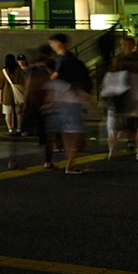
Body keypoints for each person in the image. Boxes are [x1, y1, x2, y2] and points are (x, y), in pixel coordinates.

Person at [47, 33, 93, 175]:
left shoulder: (64, 59)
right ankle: (70, 163)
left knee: (70, 133)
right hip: (70, 99)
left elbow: (57, 76)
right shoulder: (69, 59)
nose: (52, 45)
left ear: (60, 42)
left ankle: (70, 163)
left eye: (53, 42)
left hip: (67, 99)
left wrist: (50, 75)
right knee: (72, 132)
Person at [111, 37, 138, 161]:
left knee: (127, 124)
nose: (126, 47)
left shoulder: (119, 60)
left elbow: (114, 75)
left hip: (126, 95)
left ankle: (127, 145)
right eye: (124, 45)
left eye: (126, 45)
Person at [0, 53, 25, 138]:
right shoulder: (19, 70)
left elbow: (0, 85)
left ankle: (10, 129)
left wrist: (0, 97)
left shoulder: (3, 71)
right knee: (19, 113)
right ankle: (19, 129)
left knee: (8, 113)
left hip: (7, 94)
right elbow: (24, 81)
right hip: (18, 94)